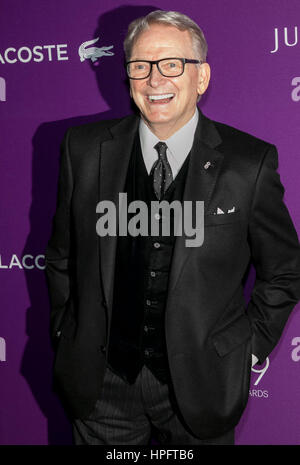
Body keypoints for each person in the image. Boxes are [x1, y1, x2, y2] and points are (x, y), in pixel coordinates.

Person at [45, 10, 300, 445]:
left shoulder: (248, 164)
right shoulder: (83, 150)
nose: (154, 79)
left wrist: (246, 351)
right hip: (102, 388)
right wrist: (66, 330)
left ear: (201, 78)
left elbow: (284, 270)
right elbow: (62, 256)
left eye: (172, 65)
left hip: (202, 385)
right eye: (140, 66)